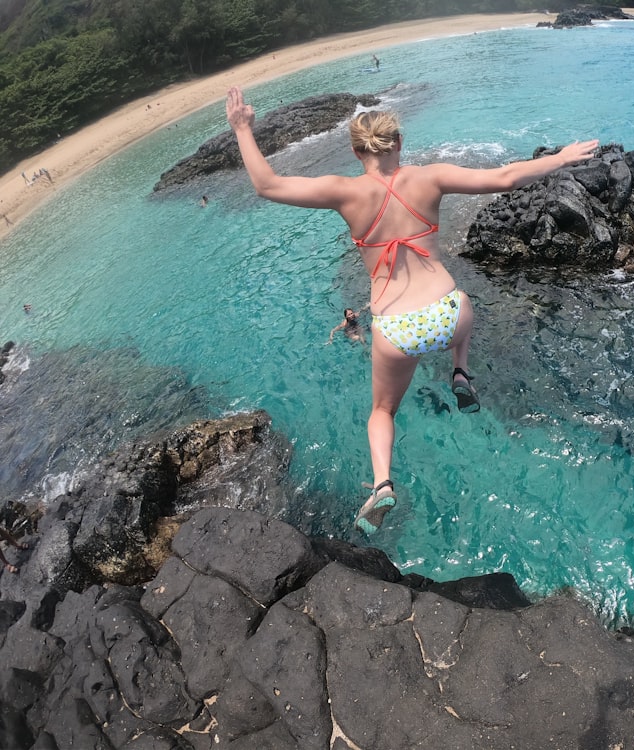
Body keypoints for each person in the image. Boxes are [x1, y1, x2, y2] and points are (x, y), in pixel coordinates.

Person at [225, 86, 598, 534]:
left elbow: (267, 185)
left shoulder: (344, 192)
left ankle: (382, 484)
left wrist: (242, 128)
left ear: (354, 150)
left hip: (397, 330)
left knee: (382, 411)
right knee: (464, 306)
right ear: (399, 142)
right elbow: (505, 177)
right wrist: (561, 157)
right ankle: (461, 371)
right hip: (448, 312)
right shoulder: (429, 177)